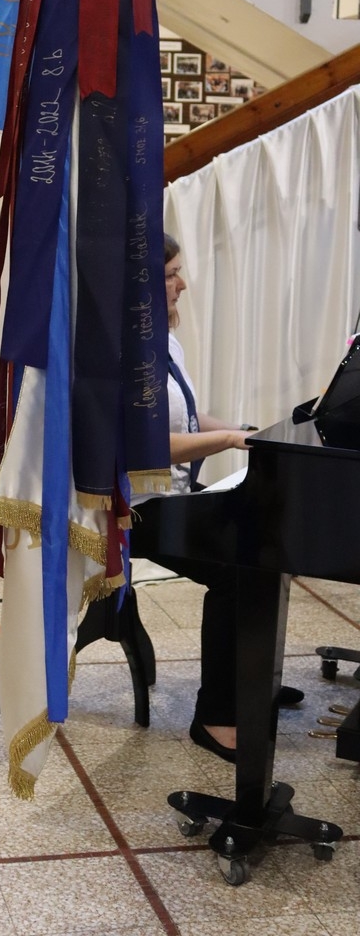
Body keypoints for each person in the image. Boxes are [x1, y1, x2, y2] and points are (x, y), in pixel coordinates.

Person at [131, 233, 302, 761]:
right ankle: (216, 716)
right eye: (170, 275)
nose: (182, 284)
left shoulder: (163, 339)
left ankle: (253, 680)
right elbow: (146, 446)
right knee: (236, 571)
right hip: (135, 506)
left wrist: (248, 431)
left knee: (270, 539)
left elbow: (184, 416)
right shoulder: (123, 353)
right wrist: (228, 441)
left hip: (172, 491)